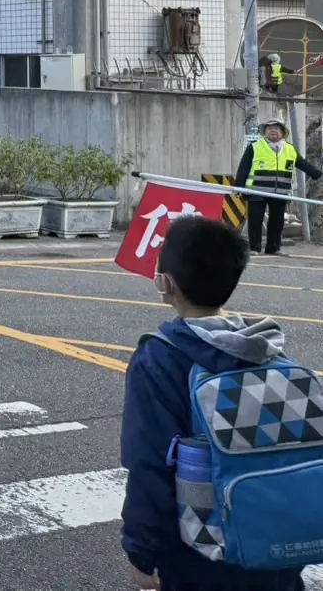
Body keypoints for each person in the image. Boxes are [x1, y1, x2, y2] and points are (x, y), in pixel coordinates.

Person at [121, 216, 304, 591]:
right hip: (276, 548)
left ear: (166, 283)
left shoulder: (160, 359)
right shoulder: (267, 349)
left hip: (201, 556)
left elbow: (148, 465)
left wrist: (142, 552)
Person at [234, 119, 321, 256]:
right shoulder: (255, 147)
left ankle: (273, 248)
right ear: (265, 132)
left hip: (280, 192)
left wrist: (319, 175)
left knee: (277, 221)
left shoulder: (290, 149)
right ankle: (254, 248)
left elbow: (304, 165)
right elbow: (243, 168)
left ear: (282, 132)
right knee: (255, 220)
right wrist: (239, 187)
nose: (273, 130)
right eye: (270, 128)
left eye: (276, 128)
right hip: (256, 191)